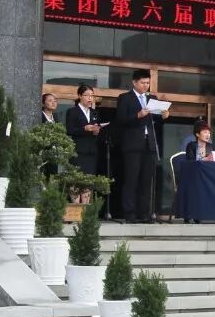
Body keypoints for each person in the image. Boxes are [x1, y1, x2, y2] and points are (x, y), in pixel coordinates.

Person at [114, 69, 165, 223]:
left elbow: (156, 121)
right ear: (134, 82)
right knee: (131, 180)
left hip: (149, 144)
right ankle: (129, 214)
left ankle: (144, 214)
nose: (146, 85)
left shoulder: (152, 98)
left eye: (148, 83)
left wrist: (164, 116)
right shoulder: (125, 98)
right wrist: (138, 115)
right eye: (143, 83)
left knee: (146, 181)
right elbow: (120, 119)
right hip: (132, 145)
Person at [65, 85, 103, 175]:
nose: (90, 98)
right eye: (87, 95)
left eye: (92, 95)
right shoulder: (72, 111)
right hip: (78, 150)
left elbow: (97, 129)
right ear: (80, 96)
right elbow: (69, 130)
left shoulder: (94, 112)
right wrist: (84, 128)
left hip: (92, 151)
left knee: (90, 178)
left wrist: (96, 131)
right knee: (77, 178)